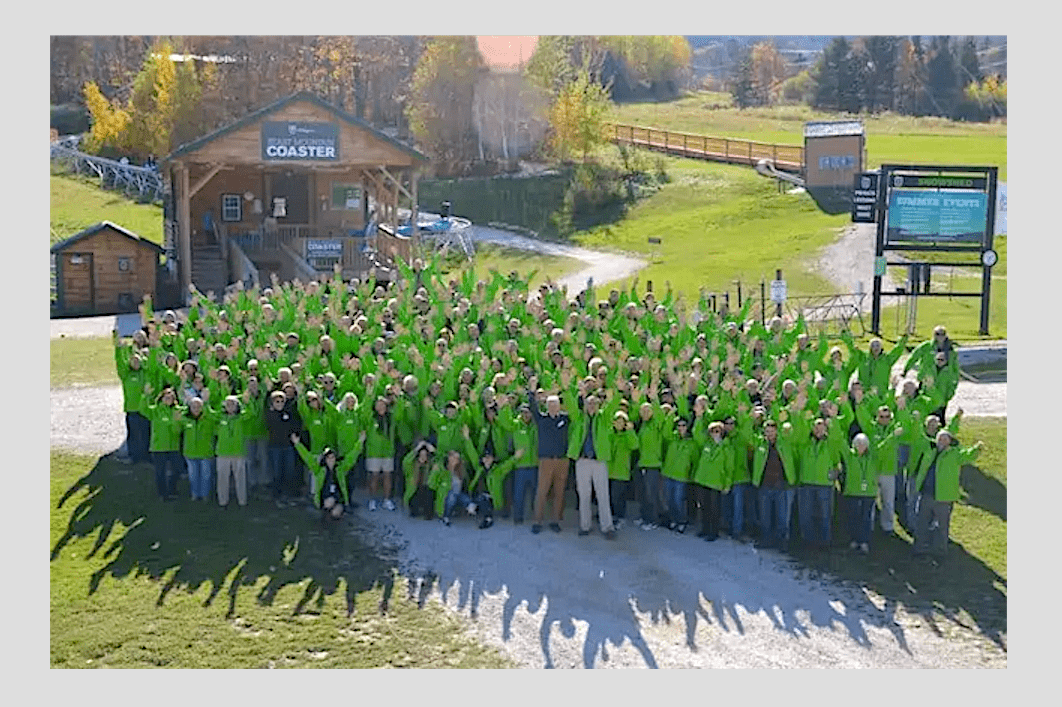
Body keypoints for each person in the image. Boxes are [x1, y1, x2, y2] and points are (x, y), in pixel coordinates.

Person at [912, 430, 983, 559]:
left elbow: (967, 456)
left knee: (942, 526)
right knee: (922, 523)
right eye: (940, 438)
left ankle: (940, 551)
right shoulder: (930, 449)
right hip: (926, 494)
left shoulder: (954, 454)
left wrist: (977, 449)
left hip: (944, 497)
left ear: (950, 441)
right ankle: (920, 548)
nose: (942, 441)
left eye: (945, 439)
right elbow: (919, 436)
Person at [568, 393, 618, 539]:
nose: (591, 406)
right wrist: (566, 389)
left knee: (603, 495)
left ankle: (607, 527)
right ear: (584, 405)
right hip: (582, 460)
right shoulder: (578, 418)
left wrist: (618, 392)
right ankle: (585, 526)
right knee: (583, 495)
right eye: (589, 403)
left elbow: (613, 405)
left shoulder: (604, 418)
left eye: (594, 403)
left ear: (598, 406)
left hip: (599, 461)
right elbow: (570, 405)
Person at [292, 432, 366, 521]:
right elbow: (307, 458)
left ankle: (337, 516)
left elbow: (352, 456)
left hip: (339, 500)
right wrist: (297, 444)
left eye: (332, 457)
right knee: (328, 505)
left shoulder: (341, 469)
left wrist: (360, 442)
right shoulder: (319, 470)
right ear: (325, 459)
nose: (331, 460)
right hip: (324, 500)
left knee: (335, 512)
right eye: (328, 458)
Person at [528, 387, 571, 535]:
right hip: (546, 460)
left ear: (560, 406)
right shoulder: (542, 419)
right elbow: (533, 407)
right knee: (542, 491)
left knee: (559, 493)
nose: (553, 407)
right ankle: (537, 521)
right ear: (546, 406)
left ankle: (555, 521)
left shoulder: (565, 419)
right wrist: (531, 392)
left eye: (555, 405)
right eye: (550, 405)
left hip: (562, 461)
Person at [752, 419, 798, 550]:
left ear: (777, 431)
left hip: (781, 485)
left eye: (772, 431)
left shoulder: (785, 443)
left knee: (781, 516)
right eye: (767, 431)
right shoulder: (759, 444)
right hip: (765, 485)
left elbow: (796, 433)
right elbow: (746, 434)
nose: (770, 434)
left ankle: (781, 542)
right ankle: (765, 540)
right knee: (765, 516)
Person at [139, 384, 184, 501]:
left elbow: (177, 431)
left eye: (171, 397)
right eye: (166, 397)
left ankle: (172, 489)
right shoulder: (155, 410)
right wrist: (146, 395)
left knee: (177, 469)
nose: (169, 399)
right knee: (160, 472)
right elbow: (143, 409)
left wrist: (176, 421)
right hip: (158, 447)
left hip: (173, 447)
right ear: (162, 398)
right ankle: (163, 494)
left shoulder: (177, 411)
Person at [212, 393, 256, 508]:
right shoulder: (220, 417)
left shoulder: (241, 417)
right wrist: (206, 401)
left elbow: (252, 412)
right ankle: (223, 501)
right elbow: (208, 414)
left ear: (237, 406)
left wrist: (248, 401)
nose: (230, 406)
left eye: (233, 404)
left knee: (240, 478)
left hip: (238, 452)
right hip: (222, 452)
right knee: (222, 478)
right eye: (228, 404)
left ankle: (242, 501)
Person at [692, 421, 731, 541]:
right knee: (703, 507)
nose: (715, 434)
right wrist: (699, 418)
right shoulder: (706, 444)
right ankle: (704, 529)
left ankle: (713, 532)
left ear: (722, 433)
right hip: (703, 480)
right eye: (713, 431)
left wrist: (727, 484)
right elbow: (696, 433)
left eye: (718, 431)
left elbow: (729, 467)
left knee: (714, 509)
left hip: (716, 481)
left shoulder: (727, 447)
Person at [661, 416, 697, 533]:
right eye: (679, 425)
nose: (681, 428)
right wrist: (671, 416)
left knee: (678, 500)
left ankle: (681, 521)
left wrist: (692, 475)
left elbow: (694, 461)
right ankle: (673, 520)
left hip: (681, 476)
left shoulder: (692, 443)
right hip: (668, 473)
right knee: (669, 499)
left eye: (683, 426)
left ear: (687, 428)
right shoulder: (672, 438)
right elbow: (665, 432)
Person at [265, 389, 302, 504]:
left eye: (282, 401)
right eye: (277, 401)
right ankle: (277, 496)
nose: (280, 403)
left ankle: (288, 495)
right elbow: (275, 425)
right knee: (277, 472)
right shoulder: (270, 414)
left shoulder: (289, 413)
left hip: (288, 446)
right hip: (275, 446)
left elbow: (294, 425)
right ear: (272, 403)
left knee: (289, 471)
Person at [178, 395, 217, 502]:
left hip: (206, 453)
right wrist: (175, 420)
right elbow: (176, 431)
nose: (196, 409)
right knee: (193, 476)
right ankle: (195, 494)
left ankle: (205, 495)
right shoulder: (185, 419)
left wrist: (207, 404)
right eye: (193, 406)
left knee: (206, 476)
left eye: (198, 406)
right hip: (190, 453)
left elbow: (215, 419)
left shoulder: (209, 419)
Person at [605, 410, 639, 530]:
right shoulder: (610, 434)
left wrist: (630, 431)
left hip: (621, 471)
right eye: (617, 421)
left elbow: (635, 445)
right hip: (609, 470)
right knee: (609, 495)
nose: (619, 424)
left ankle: (620, 517)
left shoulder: (628, 435)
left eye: (622, 422)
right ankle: (610, 516)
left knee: (617, 497)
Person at [365, 396, 398, 511]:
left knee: (387, 476)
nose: (381, 406)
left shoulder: (391, 418)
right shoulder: (370, 418)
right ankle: (372, 500)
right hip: (373, 452)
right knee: (374, 476)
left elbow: (399, 410)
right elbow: (364, 408)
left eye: (383, 404)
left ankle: (386, 500)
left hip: (388, 452)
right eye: (378, 404)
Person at [402, 440, 438, 519]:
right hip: (415, 491)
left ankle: (428, 513)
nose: (423, 457)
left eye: (425, 455)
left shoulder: (432, 465)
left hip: (426, 490)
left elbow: (441, 461)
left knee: (429, 494)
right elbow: (405, 461)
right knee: (414, 505)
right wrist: (416, 449)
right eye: (421, 455)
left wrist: (434, 451)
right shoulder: (411, 466)